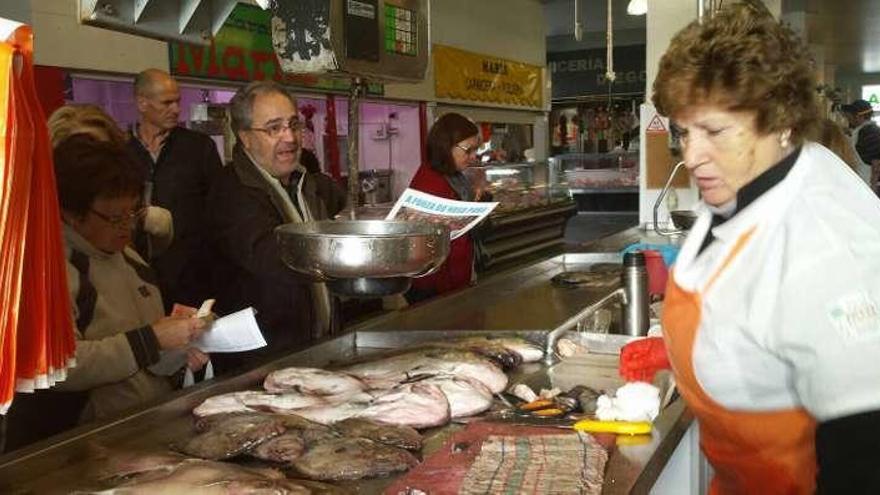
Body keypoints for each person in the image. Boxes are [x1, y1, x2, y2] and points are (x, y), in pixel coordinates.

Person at [619, 3, 880, 493]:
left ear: (778, 120)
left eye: (715, 131)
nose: (693, 156)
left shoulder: (826, 240)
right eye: (683, 132)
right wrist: (678, 353)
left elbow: (864, 455)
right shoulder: (743, 188)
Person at [2, 136, 208, 452]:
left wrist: (180, 342)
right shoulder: (42, 268)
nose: (127, 227)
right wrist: (152, 338)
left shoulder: (128, 257)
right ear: (71, 212)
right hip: (73, 450)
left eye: (133, 213)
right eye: (115, 218)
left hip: (141, 436)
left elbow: (142, 351)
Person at [206, 81, 344, 374]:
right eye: (274, 128)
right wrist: (345, 251)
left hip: (316, 348)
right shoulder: (232, 191)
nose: (290, 137)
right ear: (245, 137)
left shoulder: (306, 183)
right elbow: (274, 258)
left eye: (293, 124)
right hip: (264, 363)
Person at [127, 68, 223, 310]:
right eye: (167, 103)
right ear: (142, 103)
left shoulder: (198, 148)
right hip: (139, 279)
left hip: (194, 280)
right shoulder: (121, 151)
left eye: (177, 101)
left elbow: (220, 210)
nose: (176, 109)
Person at [48, 104, 174, 255]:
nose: (101, 168)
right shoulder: (47, 249)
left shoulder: (133, 218)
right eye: (83, 155)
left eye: (104, 153)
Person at [405, 113, 488, 304]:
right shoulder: (429, 181)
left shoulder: (454, 176)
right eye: (468, 150)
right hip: (436, 285)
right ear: (445, 146)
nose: (473, 157)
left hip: (458, 275)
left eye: (475, 150)